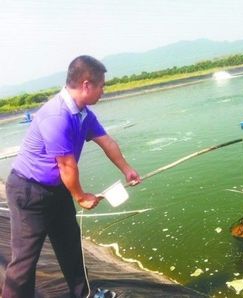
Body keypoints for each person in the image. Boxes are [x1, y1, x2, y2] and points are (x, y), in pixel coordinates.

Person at [2, 55, 141, 298]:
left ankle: (85, 294)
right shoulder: (57, 115)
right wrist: (81, 196)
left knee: (70, 245)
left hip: (57, 189)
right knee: (25, 260)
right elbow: (66, 165)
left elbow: (106, 141)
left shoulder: (84, 113)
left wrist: (126, 169)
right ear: (86, 85)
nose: (103, 91)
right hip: (29, 191)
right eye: (101, 86)